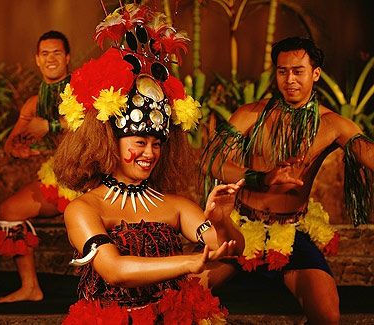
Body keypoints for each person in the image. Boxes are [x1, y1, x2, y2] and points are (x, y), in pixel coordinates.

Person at [52, 4, 244, 323]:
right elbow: (114, 271)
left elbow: (229, 251)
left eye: (157, 144)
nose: (150, 153)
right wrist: (187, 264)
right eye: (140, 143)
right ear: (108, 142)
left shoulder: (176, 205)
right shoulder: (84, 209)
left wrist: (222, 221)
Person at [202, 36, 374, 325]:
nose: (289, 79)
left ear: (316, 73)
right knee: (187, 290)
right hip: (239, 231)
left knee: (328, 314)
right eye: (282, 71)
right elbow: (211, 161)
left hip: (291, 233)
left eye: (298, 71)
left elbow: (367, 154)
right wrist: (262, 178)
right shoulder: (251, 114)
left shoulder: (332, 124)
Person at [0, 30, 78, 303]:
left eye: (57, 53)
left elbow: (91, 124)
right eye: (45, 54)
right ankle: (30, 287)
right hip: (60, 177)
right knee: (10, 211)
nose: (51, 59)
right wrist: (17, 147)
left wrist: (48, 125)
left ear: (67, 57)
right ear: (37, 60)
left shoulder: (83, 89)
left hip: (90, 179)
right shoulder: (35, 103)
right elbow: (11, 142)